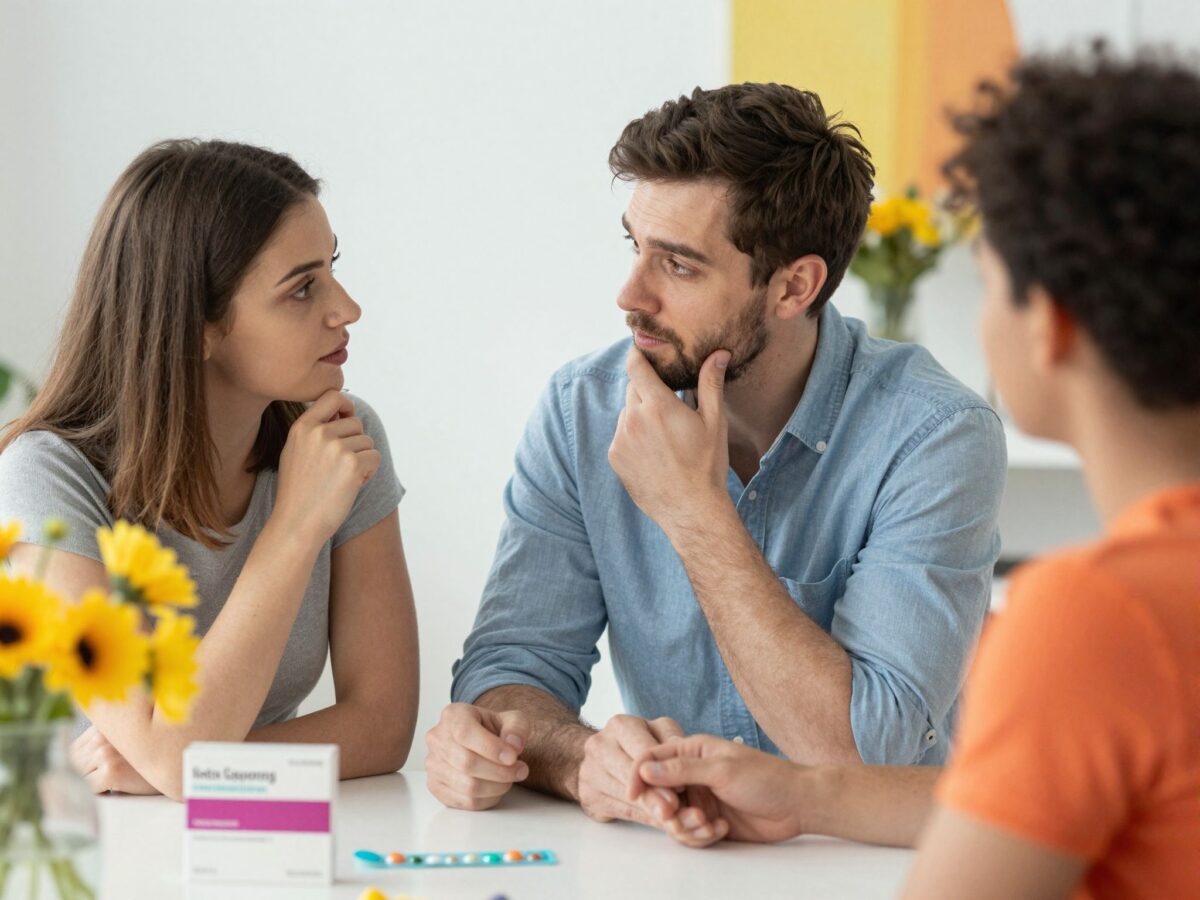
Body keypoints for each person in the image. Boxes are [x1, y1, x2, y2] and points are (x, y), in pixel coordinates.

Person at [627, 46, 1200, 898]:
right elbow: (1015, 805)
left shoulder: (1098, 616)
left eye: (990, 280)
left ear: (1051, 327)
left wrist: (693, 512)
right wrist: (808, 793)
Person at [426, 82, 1006, 831]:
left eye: (678, 265)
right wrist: (585, 762)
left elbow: (867, 755)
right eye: (635, 247)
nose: (629, 294)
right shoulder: (583, 410)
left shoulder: (934, 435)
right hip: (670, 863)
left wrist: (695, 512)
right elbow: (508, 678)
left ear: (794, 286)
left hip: (871, 870)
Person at [0, 140, 419, 801]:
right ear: (195, 324)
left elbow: (383, 727)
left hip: (253, 838)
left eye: (331, 268)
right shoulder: (46, 481)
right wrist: (294, 527)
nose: (346, 309)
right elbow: (178, 760)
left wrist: (189, 767)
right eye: (303, 287)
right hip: (81, 850)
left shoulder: (341, 439)